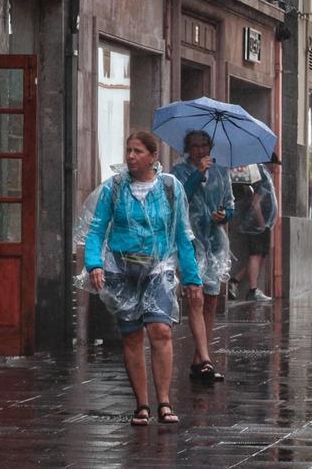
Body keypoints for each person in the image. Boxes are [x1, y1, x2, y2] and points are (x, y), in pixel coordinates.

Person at [83, 131, 200, 425]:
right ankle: (142, 405)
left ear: (153, 156)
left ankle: (164, 402)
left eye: (137, 151)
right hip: (122, 271)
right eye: (128, 150)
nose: (131, 156)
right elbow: (96, 230)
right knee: (132, 335)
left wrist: (193, 278)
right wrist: (94, 264)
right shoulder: (115, 188)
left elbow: (182, 235)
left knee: (160, 329)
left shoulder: (171, 188)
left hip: (158, 269)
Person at [170, 130, 234, 383]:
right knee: (194, 299)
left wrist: (225, 215)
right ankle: (206, 359)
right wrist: (198, 174)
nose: (200, 150)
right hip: (191, 241)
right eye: (195, 146)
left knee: (210, 301)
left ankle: (200, 358)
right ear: (188, 148)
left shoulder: (221, 172)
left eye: (204, 145)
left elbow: (230, 204)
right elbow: (180, 197)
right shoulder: (179, 172)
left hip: (215, 242)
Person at [228, 162, 278, 302]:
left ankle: (236, 281)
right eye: (275, 164)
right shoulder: (262, 178)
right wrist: (262, 223)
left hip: (261, 224)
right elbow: (256, 204)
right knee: (256, 255)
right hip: (258, 225)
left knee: (259, 255)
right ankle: (252, 289)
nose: (276, 168)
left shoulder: (264, 177)